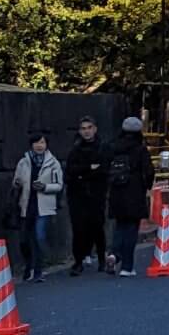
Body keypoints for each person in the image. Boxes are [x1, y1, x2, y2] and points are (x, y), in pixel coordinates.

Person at [10, 130, 63, 282]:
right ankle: (29, 265)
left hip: (44, 205)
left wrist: (45, 187)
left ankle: (39, 269)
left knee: (39, 237)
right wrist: (18, 183)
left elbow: (59, 185)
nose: (39, 146)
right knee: (25, 240)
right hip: (26, 204)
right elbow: (16, 181)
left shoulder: (53, 163)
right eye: (36, 142)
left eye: (42, 142)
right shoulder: (24, 162)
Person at [105, 116, 154, 277]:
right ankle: (127, 266)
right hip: (134, 192)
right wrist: (147, 186)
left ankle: (113, 253)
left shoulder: (113, 147)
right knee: (132, 229)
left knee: (120, 226)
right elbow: (149, 172)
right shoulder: (140, 150)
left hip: (116, 192)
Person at [62, 115, 108, 276]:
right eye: (83, 128)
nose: (86, 131)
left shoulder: (102, 147)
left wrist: (84, 172)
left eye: (89, 128)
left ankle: (102, 258)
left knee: (97, 226)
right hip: (77, 194)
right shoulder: (75, 149)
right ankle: (78, 261)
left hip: (96, 193)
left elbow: (103, 170)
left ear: (95, 129)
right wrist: (88, 169)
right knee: (79, 228)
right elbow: (70, 172)